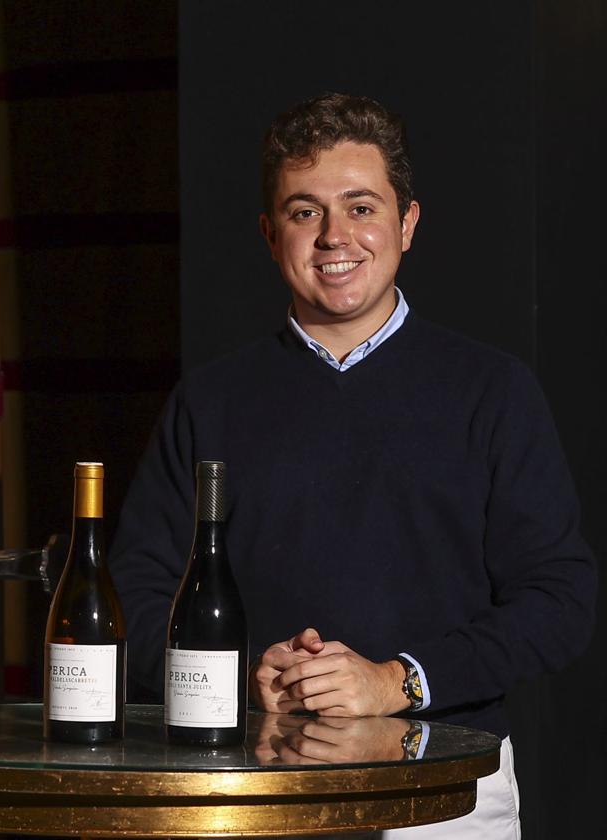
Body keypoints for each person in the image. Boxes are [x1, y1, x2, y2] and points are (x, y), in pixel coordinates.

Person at [107, 92, 596, 838]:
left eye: (362, 207)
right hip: (247, 791)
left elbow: (560, 603)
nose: (336, 235)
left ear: (407, 223)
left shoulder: (492, 392)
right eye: (305, 212)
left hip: (445, 796)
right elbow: (134, 595)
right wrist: (236, 677)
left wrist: (395, 680)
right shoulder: (209, 401)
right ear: (271, 236)